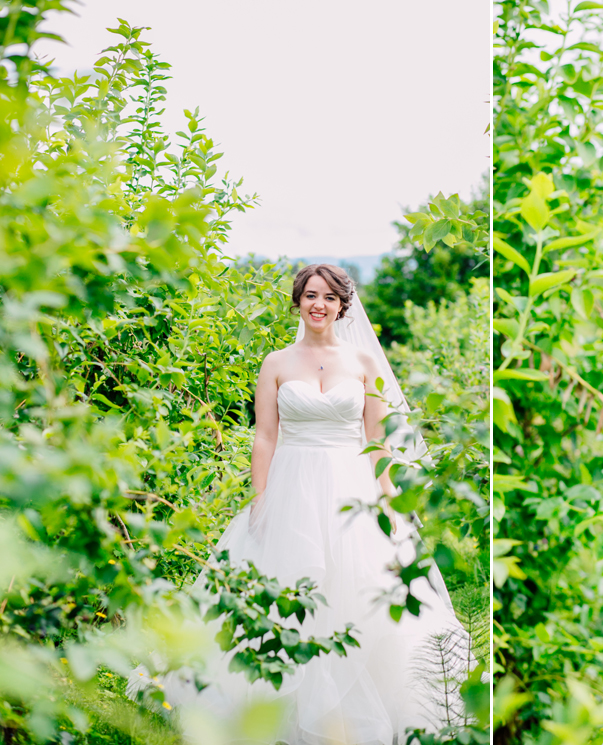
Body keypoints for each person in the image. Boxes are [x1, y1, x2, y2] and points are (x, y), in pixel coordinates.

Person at [147, 264, 465, 745]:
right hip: (292, 485)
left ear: (343, 306)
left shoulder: (363, 363)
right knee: (286, 583)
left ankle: (370, 709)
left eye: (330, 297)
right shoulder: (276, 363)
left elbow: (377, 441)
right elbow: (265, 437)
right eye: (311, 295)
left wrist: (391, 503)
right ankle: (273, 707)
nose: (319, 304)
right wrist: (261, 499)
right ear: (298, 302)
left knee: (361, 588)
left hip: (350, 487)